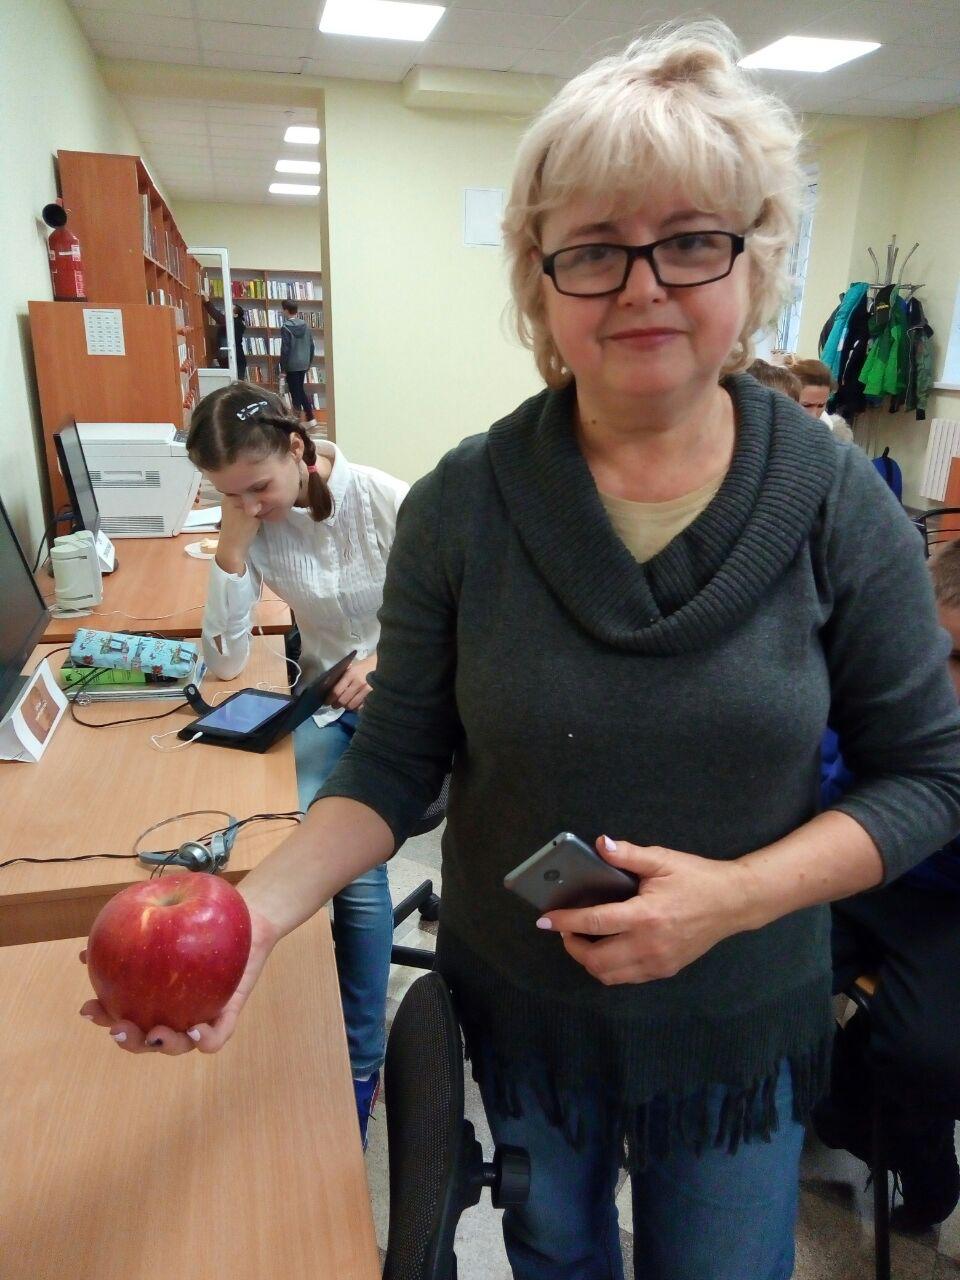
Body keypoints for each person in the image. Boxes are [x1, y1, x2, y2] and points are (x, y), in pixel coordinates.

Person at [81, 25, 960, 1280]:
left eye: (690, 239)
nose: (641, 285)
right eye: (593, 248)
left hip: (734, 1023)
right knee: (554, 1256)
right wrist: (255, 916)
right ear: (540, 281)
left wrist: (735, 896)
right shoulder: (466, 502)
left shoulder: (835, 504)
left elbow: (929, 775)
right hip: (528, 1014)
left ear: (755, 257)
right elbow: (396, 761)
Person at [182, 380, 408, 1145]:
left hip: (414, 711)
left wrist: (387, 660)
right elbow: (225, 662)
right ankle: (299, 1015)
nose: (250, 504)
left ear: (299, 449)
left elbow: (468, 612)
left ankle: (360, 1063)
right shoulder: (252, 525)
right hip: (326, 709)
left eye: (258, 487)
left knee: (354, 871)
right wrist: (231, 548)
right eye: (228, 494)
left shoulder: (384, 499)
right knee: (276, 820)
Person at [815, 540, 960, 1231]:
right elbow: (822, 782)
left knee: (928, 1057)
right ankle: (824, 1106)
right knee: (761, 977)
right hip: (854, 870)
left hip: (944, 905)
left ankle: (921, 1162)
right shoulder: (880, 675)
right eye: (939, 654)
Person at [279, 300, 315, 424]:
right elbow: (311, 346)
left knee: (295, 393)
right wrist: (309, 363)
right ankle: (310, 417)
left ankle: (297, 421)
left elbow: (285, 349)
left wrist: (283, 369)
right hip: (304, 363)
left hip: (292, 365)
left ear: (286, 310)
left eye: (283, 309)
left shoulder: (285, 327)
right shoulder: (305, 325)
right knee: (299, 390)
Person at [204, 298, 247, 379]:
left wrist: (207, 302)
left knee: (236, 384)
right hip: (230, 359)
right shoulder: (235, 322)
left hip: (236, 360)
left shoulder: (235, 323)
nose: (226, 310)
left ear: (235, 315)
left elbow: (218, 317)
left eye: (230, 309)